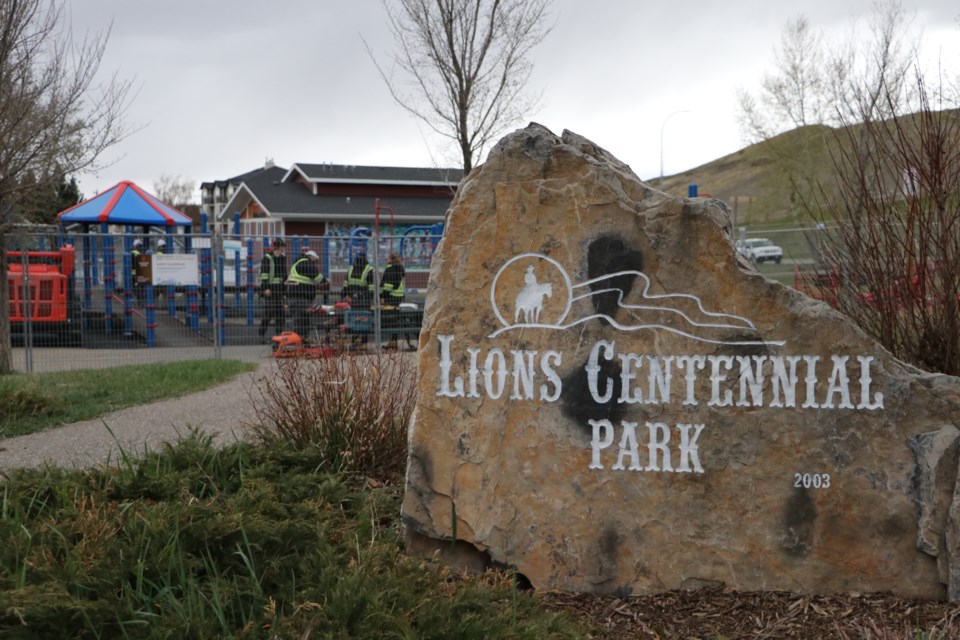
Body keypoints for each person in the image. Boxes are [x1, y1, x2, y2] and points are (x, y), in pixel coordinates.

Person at [286, 249, 328, 338]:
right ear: (311, 256)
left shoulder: (298, 263)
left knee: (302, 321)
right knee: (301, 322)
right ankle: (298, 342)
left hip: (297, 297)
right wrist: (326, 281)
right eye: (315, 260)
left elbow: (305, 281)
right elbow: (319, 278)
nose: (315, 263)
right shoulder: (306, 263)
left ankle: (302, 342)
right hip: (300, 298)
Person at [259, 238, 288, 340]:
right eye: (282, 247)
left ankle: (279, 336)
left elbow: (284, 274)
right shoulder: (268, 258)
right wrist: (265, 288)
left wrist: (285, 286)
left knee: (281, 314)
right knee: (269, 314)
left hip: (280, 290)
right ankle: (261, 335)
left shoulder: (283, 258)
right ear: (278, 247)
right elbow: (264, 274)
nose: (283, 250)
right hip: (270, 290)